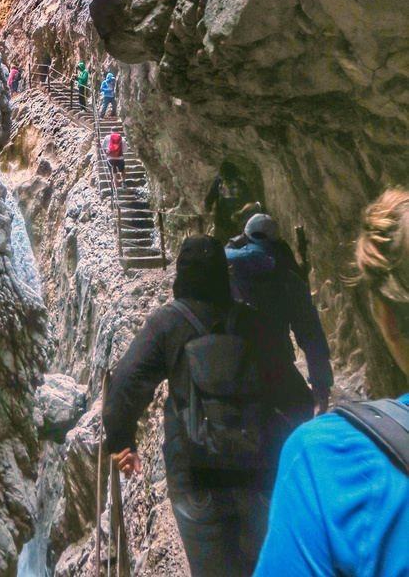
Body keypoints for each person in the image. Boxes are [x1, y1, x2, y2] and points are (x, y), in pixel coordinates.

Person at [104, 236, 308, 577]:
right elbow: (299, 398)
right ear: (222, 274)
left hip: (193, 477)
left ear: (180, 276)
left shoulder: (166, 324)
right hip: (255, 472)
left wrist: (122, 444)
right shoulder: (255, 323)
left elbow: (124, 385)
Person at [254, 188, 409, 576]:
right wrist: (321, 385)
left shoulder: (324, 460)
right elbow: (309, 331)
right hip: (283, 380)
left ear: (386, 318)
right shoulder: (284, 272)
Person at [226, 213, 333, 416]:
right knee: (300, 408)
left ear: (245, 237)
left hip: (232, 364)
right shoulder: (288, 280)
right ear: (276, 243)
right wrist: (321, 389)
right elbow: (311, 336)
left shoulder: (227, 270)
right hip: (277, 360)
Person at [205, 162, 255, 243]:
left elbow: (208, 202)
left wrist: (241, 212)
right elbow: (251, 202)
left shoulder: (217, 183)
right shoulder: (219, 183)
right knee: (235, 245)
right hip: (230, 223)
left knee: (222, 246)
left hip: (230, 223)